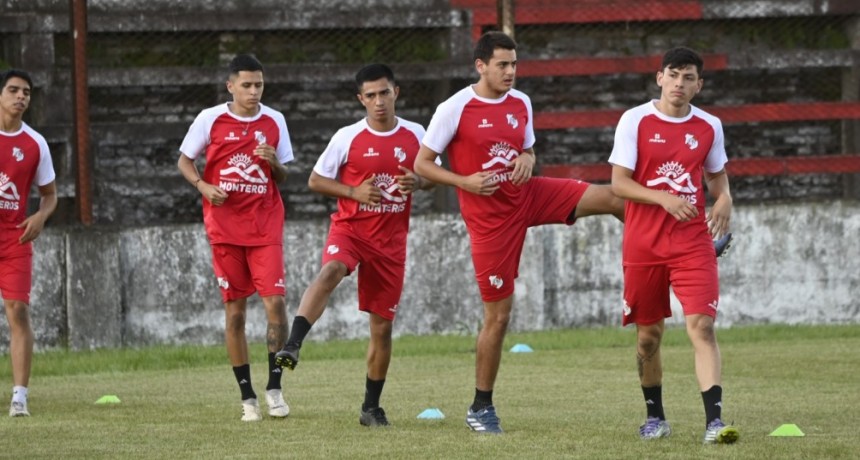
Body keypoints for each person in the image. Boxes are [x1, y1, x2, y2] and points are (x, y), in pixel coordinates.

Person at [413, 31, 625, 434]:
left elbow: (527, 149)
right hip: (491, 222)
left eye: (514, 64)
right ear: (481, 66)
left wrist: (528, 157)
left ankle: (678, 245)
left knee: (615, 197)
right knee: (499, 317)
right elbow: (423, 164)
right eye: (503, 65)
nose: (511, 72)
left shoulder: (521, 102)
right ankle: (480, 407)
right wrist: (464, 182)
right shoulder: (454, 107)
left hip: (529, 195)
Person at [274, 63, 433, 427]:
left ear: (397, 92)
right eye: (371, 95)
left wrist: (420, 183)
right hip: (351, 230)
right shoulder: (347, 137)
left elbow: (433, 176)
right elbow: (315, 180)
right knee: (331, 270)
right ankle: (293, 344)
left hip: (391, 244)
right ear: (361, 99)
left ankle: (370, 408)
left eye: (385, 93)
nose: (379, 101)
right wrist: (353, 192)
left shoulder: (417, 134)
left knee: (381, 329)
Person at [607, 46, 739, 444]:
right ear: (659, 77)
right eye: (673, 74)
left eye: (688, 77)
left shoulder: (709, 126)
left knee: (702, 326)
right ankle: (655, 417)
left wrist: (725, 198)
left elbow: (717, 179)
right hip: (643, 243)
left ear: (699, 85)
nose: (679, 83)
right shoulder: (635, 120)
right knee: (648, 336)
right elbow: (619, 183)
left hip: (692, 242)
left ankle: (715, 422)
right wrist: (664, 198)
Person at [177, 54, 293, 422]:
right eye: (247, 85)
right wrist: (203, 186)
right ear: (231, 86)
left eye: (259, 84)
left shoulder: (275, 120)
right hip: (225, 230)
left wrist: (273, 161)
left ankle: (275, 388)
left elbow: (284, 175)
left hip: (264, 226)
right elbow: (184, 160)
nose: (254, 91)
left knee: (275, 305)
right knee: (236, 313)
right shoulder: (209, 119)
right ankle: (248, 398)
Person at [0, 69, 58, 417]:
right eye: (13, 90)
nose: (20, 96)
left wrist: (40, 216)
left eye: (26, 92)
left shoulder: (35, 143)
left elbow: (49, 196)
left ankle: (20, 395)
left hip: (15, 236)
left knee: (18, 310)